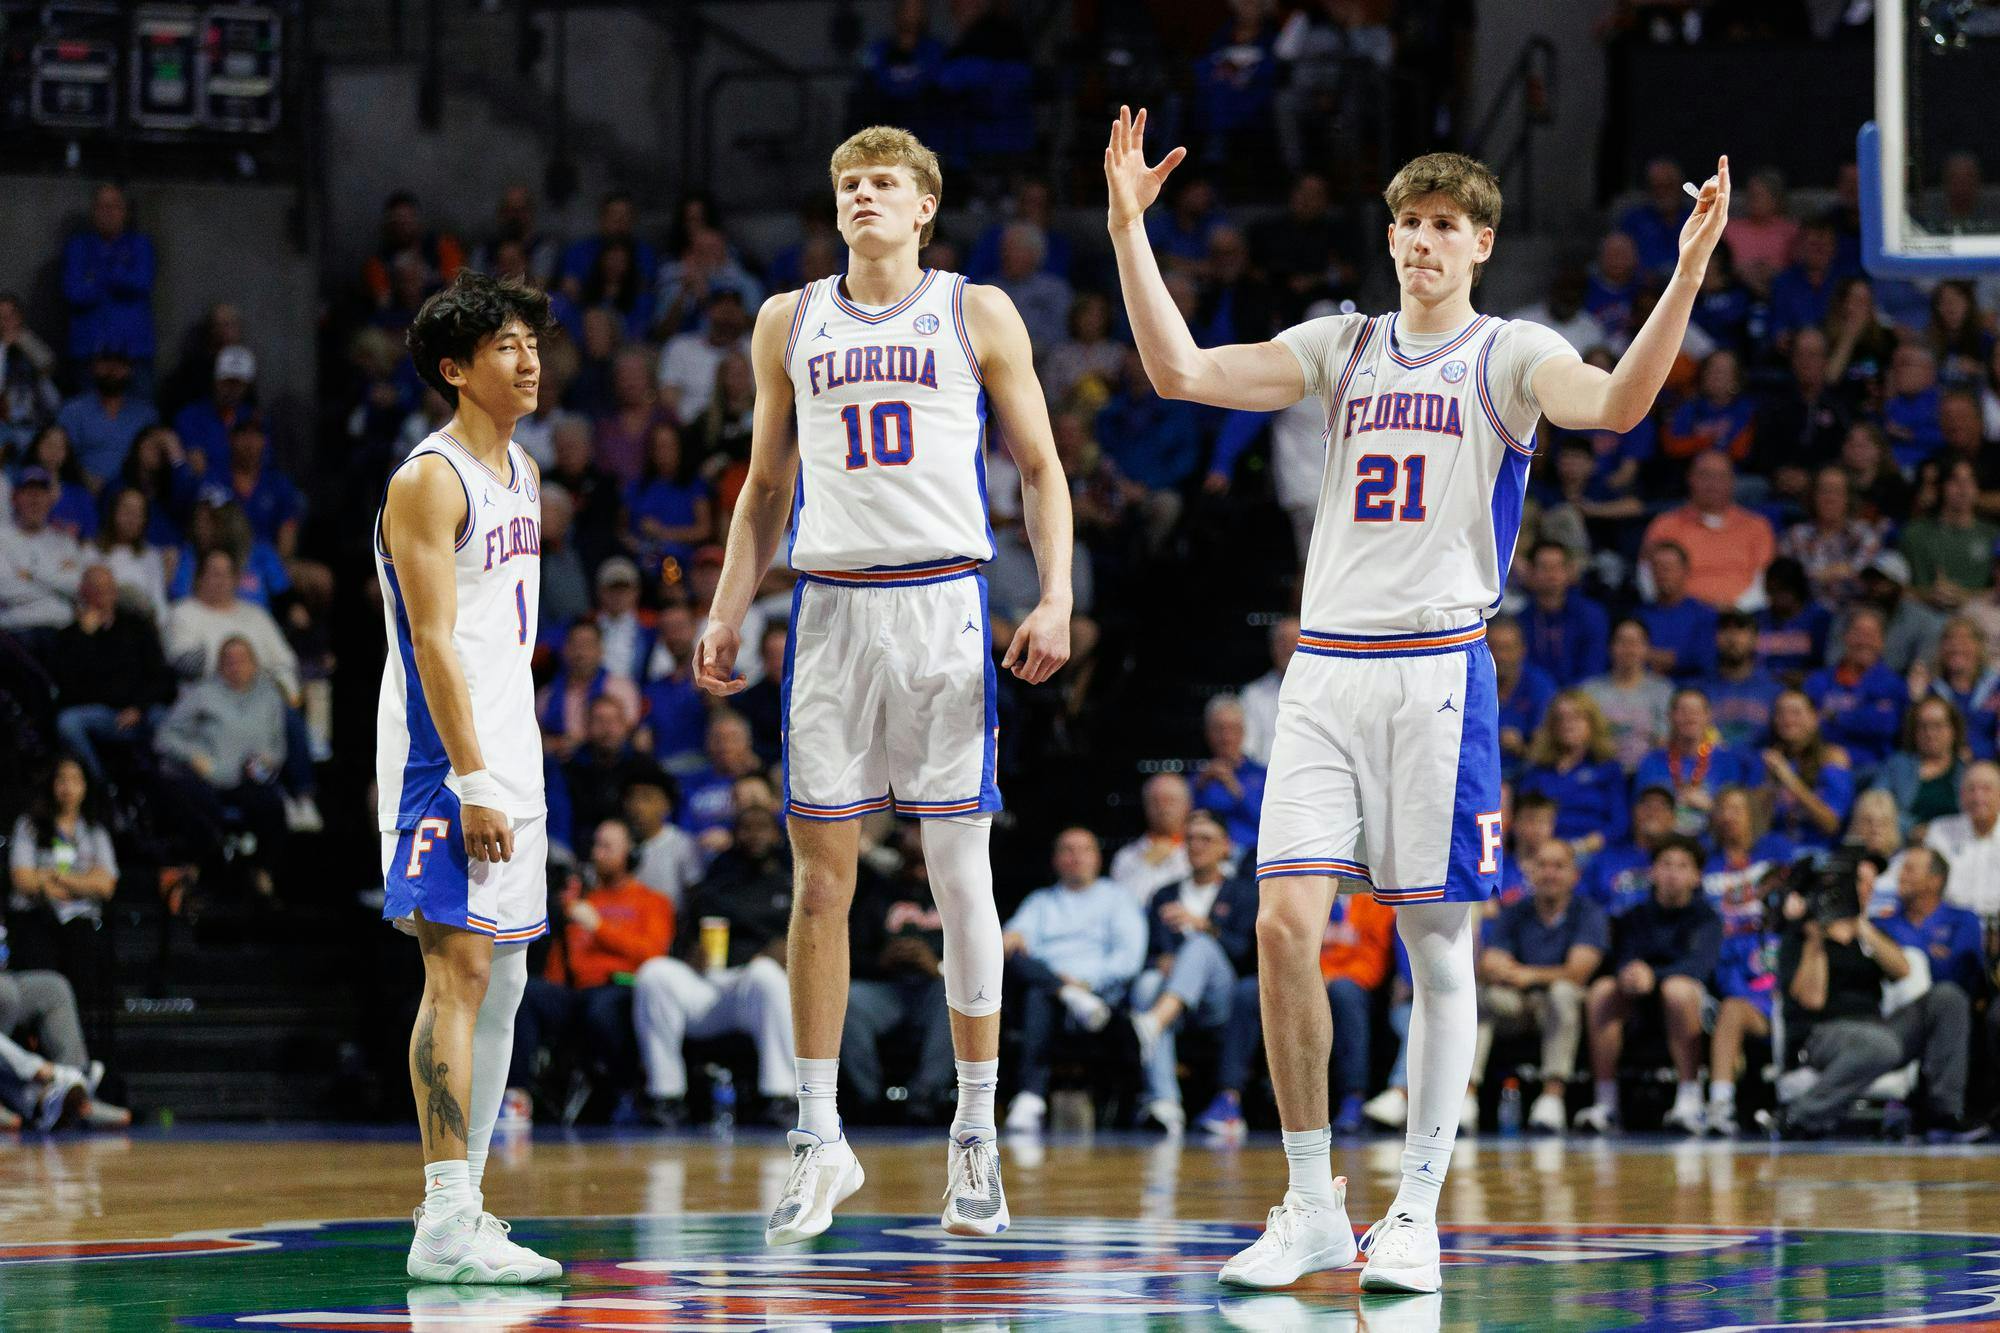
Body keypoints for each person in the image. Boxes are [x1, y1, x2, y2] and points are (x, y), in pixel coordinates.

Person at [1105, 107, 1732, 1292]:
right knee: (1281, 925)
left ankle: (1415, 1211)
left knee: (1437, 955)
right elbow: (1177, 370)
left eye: (1443, 226)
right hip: (1326, 672)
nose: (1420, 243)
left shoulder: (1507, 352)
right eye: (1405, 224)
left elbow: (1615, 406)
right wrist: (1127, 229)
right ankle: (1305, 1202)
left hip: (1438, 669)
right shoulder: (1341, 345)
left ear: (1479, 244)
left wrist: (1687, 271)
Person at [690, 126, 1073, 1246]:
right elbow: (765, 486)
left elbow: (1041, 468)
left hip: (942, 602)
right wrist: (725, 604)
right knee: (820, 881)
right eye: (848, 184)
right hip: (826, 610)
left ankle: (973, 1133)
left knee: (957, 870)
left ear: (923, 209)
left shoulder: (974, 309)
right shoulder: (787, 319)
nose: (862, 196)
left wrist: (1053, 596)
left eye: (884, 184)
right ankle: (819, 1133)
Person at [373, 270, 561, 1283]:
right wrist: (470, 774)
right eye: (504, 345)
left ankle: (465, 1209)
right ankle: (444, 1212)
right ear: (454, 368)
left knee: (510, 972)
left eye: (533, 341)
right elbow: (432, 638)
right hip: (442, 756)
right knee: (459, 968)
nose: (528, 359)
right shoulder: (428, 478)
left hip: (509, 747)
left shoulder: (521, 472)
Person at [1776, 854, 1978, 1140]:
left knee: (1948, 998)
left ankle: (1942, 1112)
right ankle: (1799, 1116)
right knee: (1882, 1045)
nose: (1864, 889)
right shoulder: (1801, 935)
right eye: (1858, 883)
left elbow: (1902, 970)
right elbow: (1811, 1000)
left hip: (1877, 1027)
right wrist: (1818, 938)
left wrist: (1860, 926)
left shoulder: (1871, 932)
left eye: (1870, 884)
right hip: (1822, 1033)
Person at [631, 804, 798, 1126]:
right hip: (711, 983)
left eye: (761, 827)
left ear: (777, 835)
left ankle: (780, 1095)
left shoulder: (790, 880)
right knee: (655, 974)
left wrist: (792, 945)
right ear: (735, 835)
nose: (754, 835)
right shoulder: (718, 878)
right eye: (746, 828)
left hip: (756, 989)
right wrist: (690, 954)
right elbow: (685, 938)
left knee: (766, 975)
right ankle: (665, 1095)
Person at [511, 820, 673, 1121]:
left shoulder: (653, 902)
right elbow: (561, 962)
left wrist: (599, 927)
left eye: (607, 846)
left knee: (601, 1009)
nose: (597, 853)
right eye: (596, 845)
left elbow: (653, 955)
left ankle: (624, 1091)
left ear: (632, 854)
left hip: (624, 992)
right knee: (526, 992)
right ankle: (517, 1096)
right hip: (578, 995)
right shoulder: (581, 902)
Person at [998, 828, 1148, 1131]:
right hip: (1051, 992)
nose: (1076, 856)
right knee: (1016, 964)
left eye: (1084, 849)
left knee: (1039, 992)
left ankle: (1030, 1096)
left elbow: (1129, 959)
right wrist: (1012, 937)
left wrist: (1084, 982)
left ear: (1097, 858)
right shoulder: (1040, 902)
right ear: (1055, 859)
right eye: (1067, 849)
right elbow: (1011, 941)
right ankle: (1064, 993)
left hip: (1099, 999)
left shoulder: (1118, 899)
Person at [1573, 836, 1722, 1134]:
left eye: (1682, 866)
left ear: (1696, 877)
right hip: (1641, 1002)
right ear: (1652, 872)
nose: (1672, 872)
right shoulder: (1635, 916)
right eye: (1665, 864)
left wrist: (1653, 976)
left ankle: (1690, 1100)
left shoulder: (1707, 918)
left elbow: (1699, 968)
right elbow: (1621, 959)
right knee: (1602, 991)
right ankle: (1606, 1103)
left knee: (1677, 990)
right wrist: (1628, 973)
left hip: (1694, 1004)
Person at [1128, 810, 1258, 1134]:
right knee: (1147, 983)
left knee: (1200, 946)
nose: (1197, 846)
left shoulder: (1243, 892)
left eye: (1206, 839)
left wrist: (1204, 926)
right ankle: (1166, 1104)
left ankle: (1152, 1023)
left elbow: (1246, 953)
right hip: (1176, 997)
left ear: (1225, 847)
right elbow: (1148, 955)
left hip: (1222, 998)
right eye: (1191, 839)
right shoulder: (1165, 894)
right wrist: (1162, 962)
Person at [1474, 839, 1608, 1136]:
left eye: (1558, 866)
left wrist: (1528, 975)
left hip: (1564, 1006)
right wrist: (1506, 972)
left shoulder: (1589, 913)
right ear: (1530, 873)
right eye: (1542, 866)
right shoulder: (1515, 912)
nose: (1549, 873)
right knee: (1482, 996)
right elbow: (1491, 963)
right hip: (1519, 1002)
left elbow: (1577, 973)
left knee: (1562, 993)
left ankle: (1552, 1097)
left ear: (1574, 875)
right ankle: (1467, 1096)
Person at [841, 823, 957, 1122]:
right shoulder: (880, 895)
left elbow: (979, 951)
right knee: (848, 1000)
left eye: (924, 863)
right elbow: (850, 953)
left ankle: (924, 1099)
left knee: (954, 996)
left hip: (935, 988)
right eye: (912, 863)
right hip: (887, 989)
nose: (919, 872)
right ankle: (868, 1100)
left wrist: (937, 966)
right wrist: (882, 961)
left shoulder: (958, 891)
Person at [1634, 687, 1764, 836]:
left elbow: (1737, 814)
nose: (1690, 717)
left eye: (1696, 712)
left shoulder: (1727, 761)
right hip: (1664, 844)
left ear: (1708, 716)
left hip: (1713, 843)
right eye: (1683, 711)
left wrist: (1711, 806)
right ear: (1670, 716)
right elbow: (1641, 815)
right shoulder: (1651, 762)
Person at [1518, 691, 1629, 856]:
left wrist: (1579, 847)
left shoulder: (1608, 769)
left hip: (1593, 853)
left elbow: (1619, 824)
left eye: (1576, 717)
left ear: (1592, 723)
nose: (1567, 724)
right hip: (1542, 853)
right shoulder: (1538, 771)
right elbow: (1524, 820)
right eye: (1560, 718)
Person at [1804, 607, 1906, 777]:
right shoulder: (1818, 681)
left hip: (1873, 769)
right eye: (1858, 633)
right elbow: (1808, 726)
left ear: (1882, 641)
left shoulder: (1894, 684)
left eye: (1871, 635)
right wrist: (1863, 715)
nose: (1864, 641)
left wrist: (1834, 716)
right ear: (1846, 637)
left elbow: (1885, 725)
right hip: (1820, 762)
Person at [1763, 688, 1856, 851]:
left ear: (1815, 718)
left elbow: (1831, 824)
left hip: (1817, 854)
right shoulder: (1769, 759)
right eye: (1781, 713)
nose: (1788, 720)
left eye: (1796, 713)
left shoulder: (1832, 757)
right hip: (1772, 854)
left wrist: (1789, 779)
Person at [1580, 618, 1672, 772]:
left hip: (1649, 774)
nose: (1629, 650)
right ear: (1610, 647)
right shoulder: (1590, 691)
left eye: (1636, 643)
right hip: (1601, 770)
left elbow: (1666, 741)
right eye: (1622, 642)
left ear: (1647, 648)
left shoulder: (1663, 691)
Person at [1873, 695, 1967, 836]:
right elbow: (1875, 805)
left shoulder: (1966, 773)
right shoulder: (1897, 766)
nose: (1930, 733)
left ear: (1953, 730)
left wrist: (1934, 833)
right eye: (1922, 726)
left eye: (1937, 725)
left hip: (1954, 845)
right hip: (1903, 845)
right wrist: (1912, 829)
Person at [1923, 761, 2000, 917]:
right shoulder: (1940, 831)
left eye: (1986, 789)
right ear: (1961, 795)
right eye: (1971, 789)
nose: (1978, 797)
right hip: (1951, 925)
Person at [1191, 693, 1267, 850]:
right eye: (1218, 729)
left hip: (1251, 858)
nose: (1226, 737)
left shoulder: (1262, 775)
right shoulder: (1198, 780)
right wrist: (1199, 788)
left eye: (1232, 729)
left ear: (1243, 732)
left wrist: (1236, 790)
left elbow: (1272, 824)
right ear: (1207, 733)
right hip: (1208, 857)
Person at [1702, 610, 1784, 750]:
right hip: (1710, 766)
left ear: (1755, 639)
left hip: (1761, 767)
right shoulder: (1699, 690)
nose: (1733, 638)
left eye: (1740, 630)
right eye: (1725, 630)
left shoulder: (1775, 691)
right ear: (1715, 638)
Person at [1637, 542, 1719, 679]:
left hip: (1693, 690)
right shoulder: (1639, 616)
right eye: (1657, 567)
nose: (1663, 573)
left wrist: (1649, 655)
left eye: (1669, 567)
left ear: (1685, 571)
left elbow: (1702, 658)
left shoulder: (1705, 615)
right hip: (1647, 692)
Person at [1109, 772, 1193, 903]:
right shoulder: (1126, 857)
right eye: (1155, 801)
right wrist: (1146, 864)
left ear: (1188, 805)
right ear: (1145, 806)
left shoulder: (1205, 852)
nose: (1162, 808)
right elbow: (1122, 905)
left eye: (1170, 800)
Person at [1241, 616, 1300, 768]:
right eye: (1282, 641)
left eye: (1294, 641)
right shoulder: (1252, 695)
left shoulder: (1325, 692)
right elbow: (1248, 750)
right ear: (1272, 647)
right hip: (1265, 778)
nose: (1288, 647)